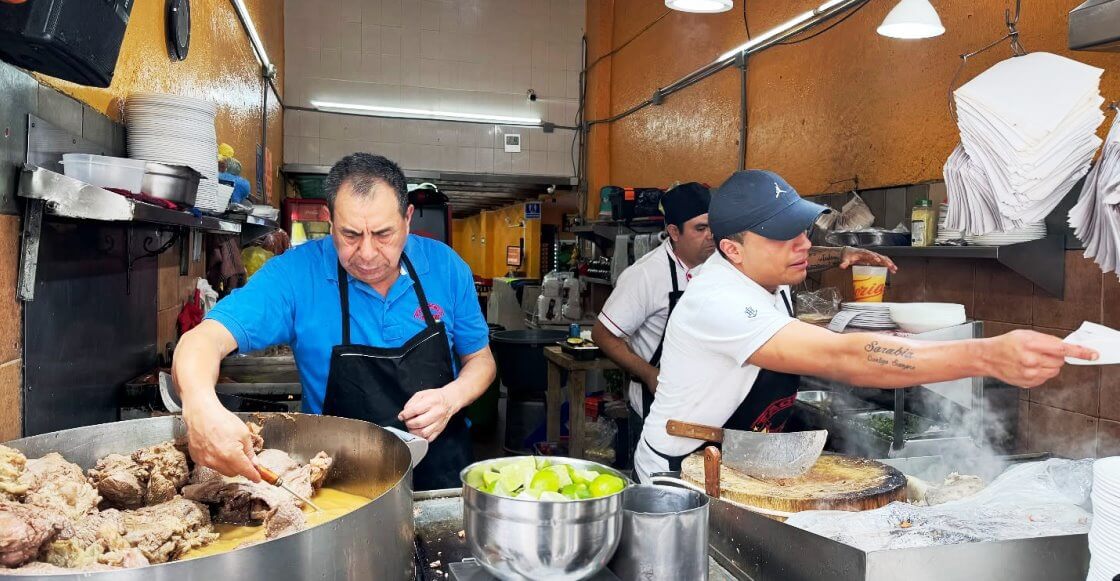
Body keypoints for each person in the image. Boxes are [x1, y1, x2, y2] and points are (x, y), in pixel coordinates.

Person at [632, 169, 1098, 482]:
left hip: (737, 457)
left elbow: (803, 257)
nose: (802, 243)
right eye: (783, 235)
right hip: (679, 472)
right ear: (732, 250)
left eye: (803, 229)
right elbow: (845, 357)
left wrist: (842, 255)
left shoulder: (757, 268)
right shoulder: (717, 302)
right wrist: (987, 355)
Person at [172, 153, 496, 491]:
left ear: (408, 218)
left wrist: (450, 398)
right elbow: (202, 340)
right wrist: (200, 404)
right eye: (351, 235)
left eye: (383, 234)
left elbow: (481, 360)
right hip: (339, 484)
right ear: (330, 222)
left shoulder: (446, 267)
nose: (368, 253)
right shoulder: (297, 274)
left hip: (440, 479)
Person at [592, 182, 897, 462]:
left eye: (715, 227)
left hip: (734, 427)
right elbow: (604, 335)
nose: (712, 235)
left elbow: (787, 257)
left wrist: (842, 253)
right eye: (700, 229)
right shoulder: (646, 276)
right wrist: (648, 374)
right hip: (672, 414)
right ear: (673, 232)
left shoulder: (742, 268)